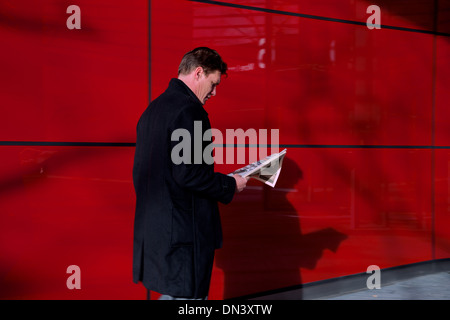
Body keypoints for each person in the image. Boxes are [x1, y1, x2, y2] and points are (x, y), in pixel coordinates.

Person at [132, 47, 248, 300]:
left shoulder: (153, 110)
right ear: (198, 73)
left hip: (159, 230)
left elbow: (142, 172)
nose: (214, 92)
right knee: (190, 298)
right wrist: (230, 184)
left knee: (176, 296)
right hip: (185, 232)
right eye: (213, 82)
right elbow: (189, 174)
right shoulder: (189, 111)